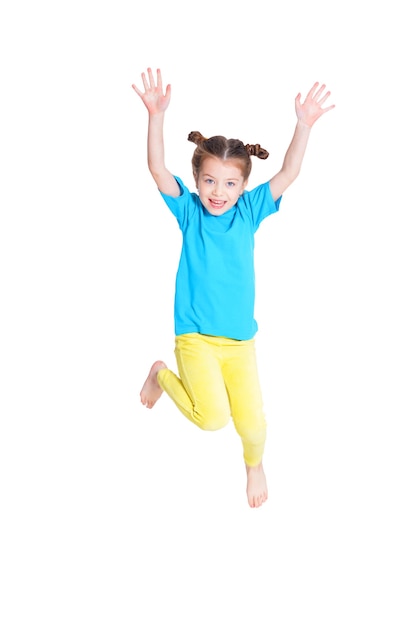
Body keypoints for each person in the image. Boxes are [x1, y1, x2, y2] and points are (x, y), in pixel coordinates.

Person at [132, 68, 335, 508]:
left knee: (254, 427)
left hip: (241, 343)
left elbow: (290, 171)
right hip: (195, 339)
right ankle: (160, 375)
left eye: (229, 184)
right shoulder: (190, 213)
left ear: (243, 187)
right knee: (211, 421)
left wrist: (302, 125)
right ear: (197, 180)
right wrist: (155, 116)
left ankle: (254, 465)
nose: (217, 192)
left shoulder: (250, 212)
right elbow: (155, 167)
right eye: (208, 181)